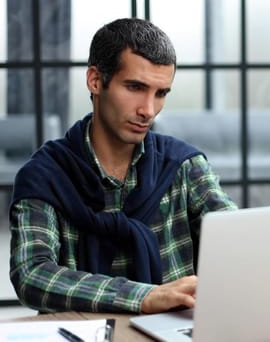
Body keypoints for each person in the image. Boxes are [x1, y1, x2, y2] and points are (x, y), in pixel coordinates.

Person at [9, 18, 237, 313]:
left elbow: (238, 242)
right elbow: (32, 275)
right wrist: (142, 297)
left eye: (161, 93)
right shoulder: (45, 176)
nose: (148, 110)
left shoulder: (184, 166)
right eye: (135, 87)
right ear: (95, 80)